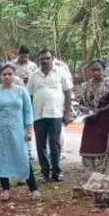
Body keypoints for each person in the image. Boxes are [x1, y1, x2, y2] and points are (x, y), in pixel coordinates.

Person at [0, 64, 39, 201]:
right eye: (4, 75)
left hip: (17, 130)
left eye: (10, 74)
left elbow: (28, 111)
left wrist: (29, 130)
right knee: (2, 157)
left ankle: (33, 189)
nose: (7, 77)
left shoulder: (21, 91)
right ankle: (5, 189)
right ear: (0, 76)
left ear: (14, 76)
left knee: (23, 157)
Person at [27, 48, 74, 182]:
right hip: (38, 114)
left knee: (55, 143)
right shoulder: (33, 75)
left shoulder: (60, 72)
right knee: (40, 144)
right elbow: (29, 95)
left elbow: (67, 92)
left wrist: (67, 113)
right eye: (42, 59)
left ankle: (56, 171)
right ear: (39, 60)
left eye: (48, 58)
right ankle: (44, 172)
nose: (45, 61)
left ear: (52, 58)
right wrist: (28, 115)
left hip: (55, 114)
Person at [77, 60, 109, 172]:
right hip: (90, 121)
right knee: (89, 147)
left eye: (98, 69)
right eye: (93, 70)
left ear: (103, 70)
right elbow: (80, 104)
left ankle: (102, 174)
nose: (95, 72)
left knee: (102, 147)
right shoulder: (85, 86)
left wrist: (99, 110)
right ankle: (89, 174)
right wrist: (85, 109)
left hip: (105, 121)